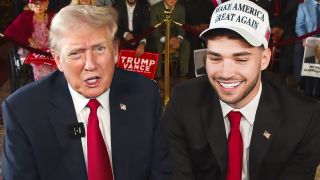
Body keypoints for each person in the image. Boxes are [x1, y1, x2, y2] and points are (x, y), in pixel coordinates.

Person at [2, 5, 171, 180]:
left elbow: (161, 171)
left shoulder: (144, 94)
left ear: (115, 51)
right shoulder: (23, 111)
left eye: (99, 49)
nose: (90, 64)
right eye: (76, 53)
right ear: (58, 59)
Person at [164, 0, 320, 180]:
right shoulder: (183, 101)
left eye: (241, 59)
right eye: (215, 58)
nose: (225, 73)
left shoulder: (304, 117)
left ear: (265, 59)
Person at [4, 0, 57, 81]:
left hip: (50, 51)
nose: (39, 6)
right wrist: (29, 40)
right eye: (36, 3)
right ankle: (44, 88)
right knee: (44, 72)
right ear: (31, 5)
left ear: (47, 3)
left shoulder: (53, 16)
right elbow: (9, 33)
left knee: (62, 67)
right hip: (33, 52)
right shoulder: (25, 17)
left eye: (42, 3)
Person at [150, 0, 190, 78]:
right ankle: (157, 76)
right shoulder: (155, 8)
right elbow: (153, 29)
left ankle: (184, 74)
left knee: (186, 44)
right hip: (160, 36)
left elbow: (182, 27)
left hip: (174, 36)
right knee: (157, 46)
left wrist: (178, 39)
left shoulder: (181, 8)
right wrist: (166, 40)